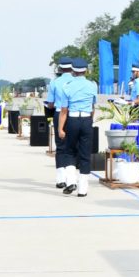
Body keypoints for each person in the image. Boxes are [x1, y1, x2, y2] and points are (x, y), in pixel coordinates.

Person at [55, 58, 97, 196]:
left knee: (69, 152)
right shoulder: (92, 86)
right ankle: (83, 189)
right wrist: (90, 120)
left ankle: (71, 181)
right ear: (86, 71)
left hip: (72, 119)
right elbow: (92, 107)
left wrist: (60, 128)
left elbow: (63, 111)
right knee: (85, 154)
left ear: (73, 70)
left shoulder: (67, 86)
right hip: (86, 120)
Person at [45, 58, 75, 187]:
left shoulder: (55, 82)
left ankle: (61, 179)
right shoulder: (75, 81)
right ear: (72, 68)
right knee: (72, 146)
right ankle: (71, 179)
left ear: (60, 69)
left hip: (59, 113)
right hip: (73, 115)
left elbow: (50, 104)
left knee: (61, 146)